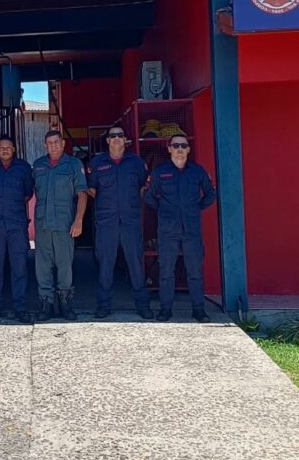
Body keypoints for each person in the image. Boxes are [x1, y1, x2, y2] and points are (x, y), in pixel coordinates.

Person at [144, 134, 217, 322]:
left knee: (195, 271)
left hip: (191, 229)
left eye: (183, 146)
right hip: (168, 230)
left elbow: (210, 194)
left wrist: (195, 208)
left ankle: (199, 310)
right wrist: (164, 210)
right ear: (169, 149)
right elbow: (149, 197)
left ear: (188, 149)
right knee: (166, 271)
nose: (179, 149)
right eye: (175, 145)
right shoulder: (160, 172)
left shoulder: (198, 172)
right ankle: (165, 310)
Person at [87, 125, 152, 320]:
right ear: (107, 140)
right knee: (105, 263)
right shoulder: (97, 163)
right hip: (106, 222)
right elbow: (92, 190)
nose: (116, 138)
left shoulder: (136, 163)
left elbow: (142, 188)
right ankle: (104, 306)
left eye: (120, 135)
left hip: (130, 221)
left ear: (125, 140)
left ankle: (143, 306)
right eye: (112, 135)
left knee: (135, 263)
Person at [32, 129, 88, 321]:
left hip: (64, 224)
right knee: (42, 266)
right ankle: (46, 304)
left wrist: (78, 221)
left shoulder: (74, 165)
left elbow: (82, 194)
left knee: (65, 266)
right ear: (45, 146)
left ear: (63, 144)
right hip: (42, 225)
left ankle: (65, 304)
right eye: (50, 143)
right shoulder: (38, 165)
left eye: (57, 142)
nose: (53, 146)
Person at [0, 136, 34, 323]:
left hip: (17, 224)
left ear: (14, 149)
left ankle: (20, 308)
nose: (5, 150)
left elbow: (28, 193)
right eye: (1, 147)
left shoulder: (23, 168)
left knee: (19, 267)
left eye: (8, 147)